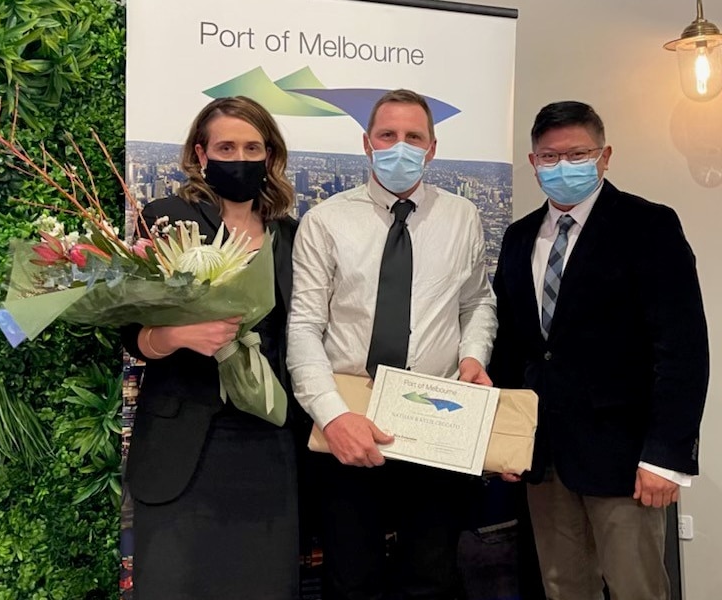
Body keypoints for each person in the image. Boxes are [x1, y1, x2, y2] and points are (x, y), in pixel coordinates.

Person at [489, 100, 709, 600]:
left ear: (604, 156)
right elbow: (511, 347)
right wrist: (506, 438)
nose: (562, 166)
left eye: (577, 154)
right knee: (563, 586)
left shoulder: (649, 226)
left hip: (626, 458)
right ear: (532, 162)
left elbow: (683, 349)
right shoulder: (520, 236)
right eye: (549, 157)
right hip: (543, 455)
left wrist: (666, 458)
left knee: (637, 587)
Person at [287, 89, 497, 599]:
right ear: (367, 143)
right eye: (388, 136)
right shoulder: (325, 221)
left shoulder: (462, 216)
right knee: (351, 578)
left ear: (432, 148)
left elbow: (478, 303)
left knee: (432, 575)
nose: (400, 147)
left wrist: (474, 355)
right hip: (350, 418)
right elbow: (303, 328)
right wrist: (333, 416)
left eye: (413, 137)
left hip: (434, 419)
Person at [120, 96, 302, 600]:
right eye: (226, 146)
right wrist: (178, 336)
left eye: (252, 147)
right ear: (201, 154)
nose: (239, 158)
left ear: (269, 156)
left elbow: (300, 335)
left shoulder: (289, 235)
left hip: (268, 440)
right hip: (185, 448)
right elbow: (131, 333)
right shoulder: (167, 219)